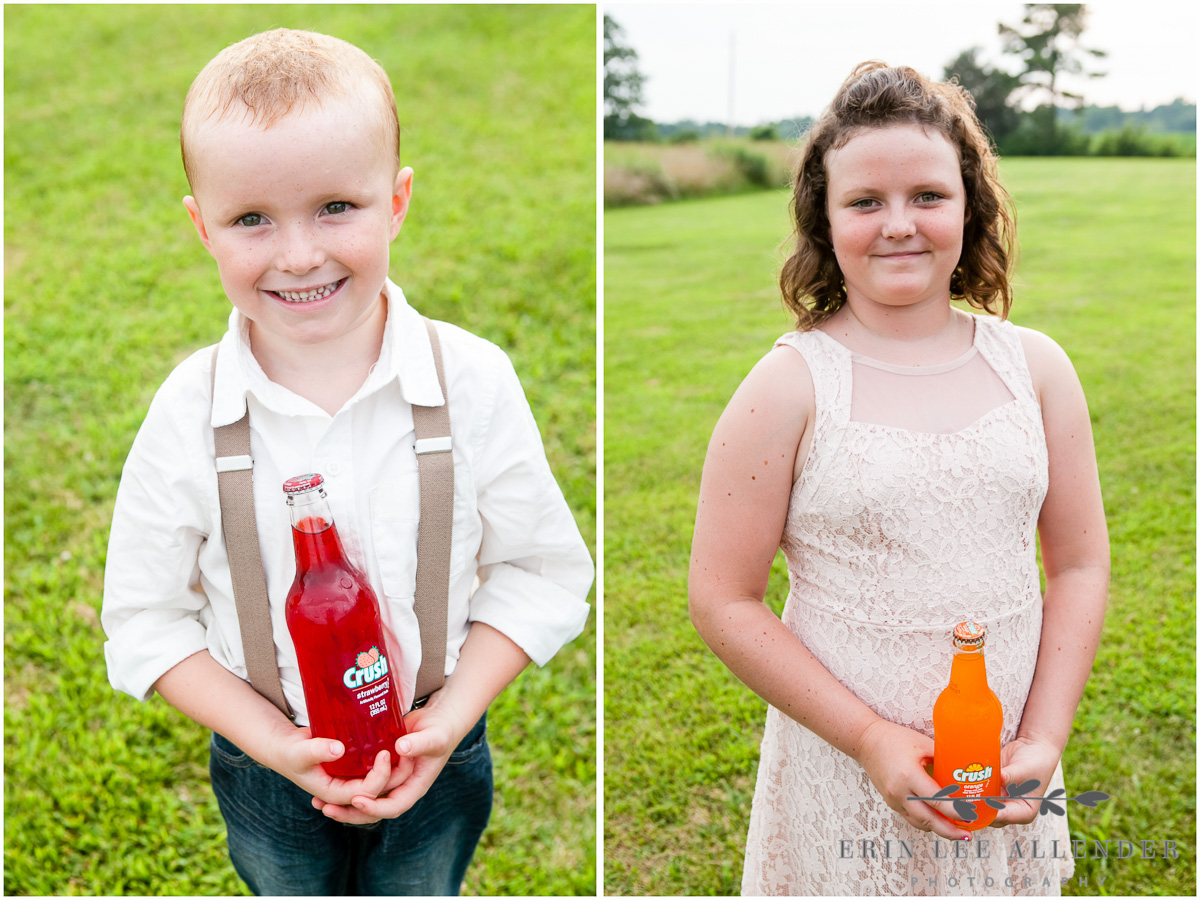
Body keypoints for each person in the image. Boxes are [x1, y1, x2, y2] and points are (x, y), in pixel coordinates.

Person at [101, 28, 593, 896]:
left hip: (438, 743)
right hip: (267, 763)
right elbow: (143, 617)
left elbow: (543, 571)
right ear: (200, 226)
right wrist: (275, 744)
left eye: (337, 207)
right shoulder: (188, 410)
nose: (298, 254)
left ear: (397, 201)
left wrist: (448, 720)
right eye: (251, 219)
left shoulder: (471, 380)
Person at [688, 61, 1108, 896]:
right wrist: (870, 737)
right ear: (825, 218)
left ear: (969, 204)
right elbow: (722, 599)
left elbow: (1082, 565)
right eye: (865, 203)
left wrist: (1044, 739)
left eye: (927, 195)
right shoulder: (788, 386)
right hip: (845, 769)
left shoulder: (1037, 368)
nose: (898, 226)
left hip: (1003, 761)